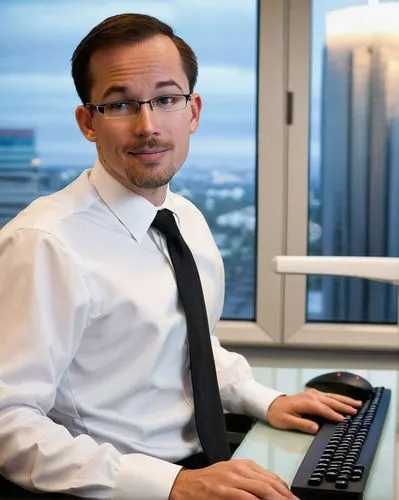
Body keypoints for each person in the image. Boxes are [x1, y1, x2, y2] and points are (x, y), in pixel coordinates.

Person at [0, 13, 362, 500]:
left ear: (193, 111)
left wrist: (266, 400)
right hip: (113, 487)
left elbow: (188, 347)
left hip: (201, 468)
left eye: (167, 99)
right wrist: (173, 485)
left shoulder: (184, 217)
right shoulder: (45, 243)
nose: (148, 126)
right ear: (88, 122)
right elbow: (8, 423)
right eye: (121, 104)